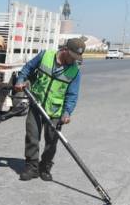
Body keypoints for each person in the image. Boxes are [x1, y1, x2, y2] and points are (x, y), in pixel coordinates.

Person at [13, 38, 86, 182]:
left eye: (77, 58)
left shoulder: (74, 72)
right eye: (72, 56)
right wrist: (21, 79)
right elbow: (28, 67)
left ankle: (45, 167)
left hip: (55, 111)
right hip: (36, 103)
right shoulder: (45, 55)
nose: (74, 60)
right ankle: (32, 167)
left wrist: (67, 113)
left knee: (52, 141)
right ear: (65, 50)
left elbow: (72, 95)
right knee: (32, 135)